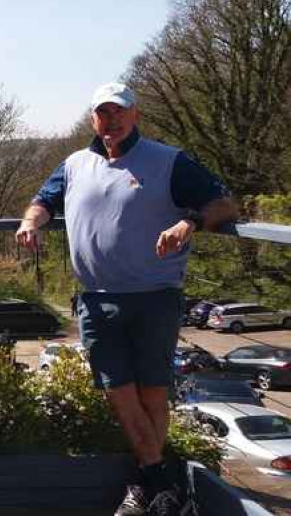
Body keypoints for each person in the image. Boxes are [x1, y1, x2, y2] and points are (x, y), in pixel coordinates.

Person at [16, 82, 236, 516]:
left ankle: (152, 485)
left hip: (155, 296)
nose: (110, 121)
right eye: (103, 113)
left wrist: (189, 222)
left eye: (119, 112)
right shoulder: (75, 163)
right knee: (117, 393)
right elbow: (43, 200)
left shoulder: (167, 160)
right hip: (96, 300)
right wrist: (31, 222)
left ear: (135, 116)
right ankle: (161, 479)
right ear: (93, 119)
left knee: (153, 394)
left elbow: (225, 204)